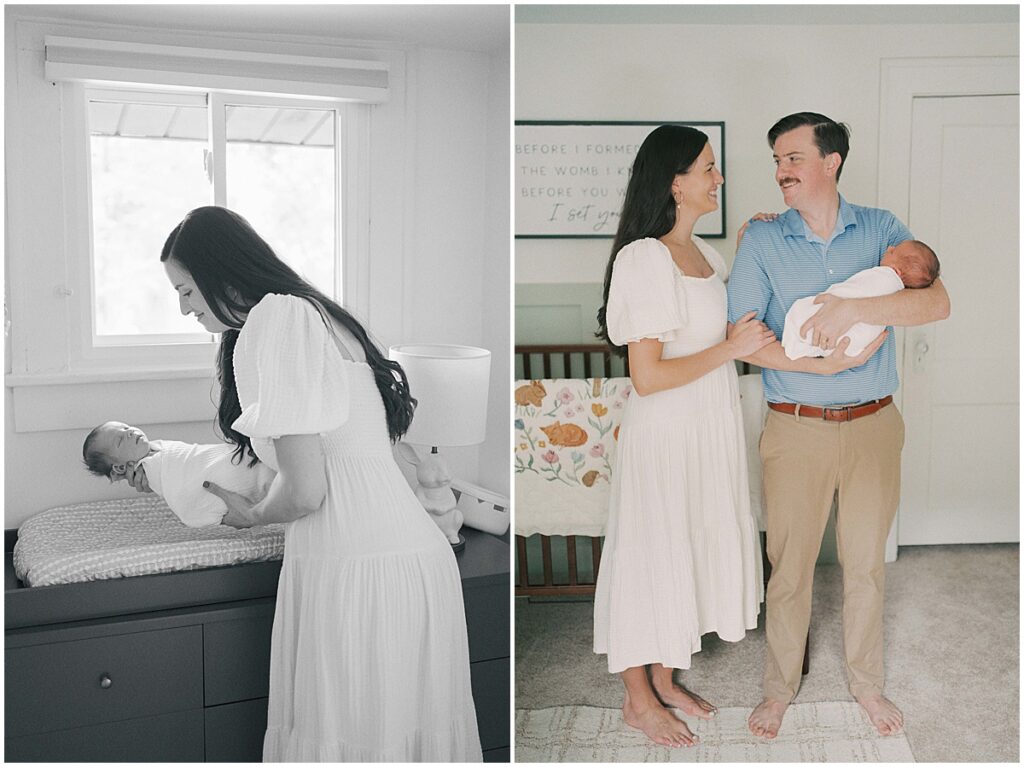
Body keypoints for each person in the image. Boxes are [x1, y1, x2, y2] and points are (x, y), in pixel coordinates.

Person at [130, 206, 482, 761]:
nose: (185, 309)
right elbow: (368, 449)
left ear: (222, 276)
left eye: (188, 291)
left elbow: (307, 491)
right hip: (415, 558)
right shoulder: (321, 316)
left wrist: (252, 516)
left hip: (353, 566)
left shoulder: (276, 322)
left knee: (349, 736)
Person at [591, 124, 881, 749]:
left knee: (688, 547)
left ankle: (665, 678)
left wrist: (753, 252)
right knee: (652, 552)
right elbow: (646, 377)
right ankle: (637, 697)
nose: (718, 179)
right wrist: (729, 347)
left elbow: (735, 335)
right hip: (667, 431)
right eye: (707, 169)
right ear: (674, 182)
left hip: (708, 425)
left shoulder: (710, 256)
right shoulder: (643, 257)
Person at [727, 112, 950, 740]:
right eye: (776, 160)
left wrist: (853, 306)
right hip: (795, 425)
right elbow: (739, 336)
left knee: (865, 566)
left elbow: (935, 300)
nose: (781, 171)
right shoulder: (763, 239)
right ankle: (778, 691)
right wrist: (814, 365)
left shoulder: (882, 229)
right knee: (790, 566)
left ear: (832, 162)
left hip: (875, 425)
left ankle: (866, 685)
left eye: (794, 157)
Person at [82, 420, 276, 527]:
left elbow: (193, 458)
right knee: (253, 474)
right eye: (120, 440)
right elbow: (180, 484)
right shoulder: (149, 469)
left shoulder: (160, 448)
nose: (130, 432)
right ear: (119, 468)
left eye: (126, 427)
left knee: (243, 462)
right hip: (246, 472)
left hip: (238, 456)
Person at [782, 239, 940, 359]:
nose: (889, 248)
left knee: (807, 312)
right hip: (854, 345)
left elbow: (853, 289)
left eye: (893, 252)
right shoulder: (896, 292)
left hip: (837, 329)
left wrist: (849, 309)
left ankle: (800, 339)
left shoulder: (884, 277)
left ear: (896, 271)